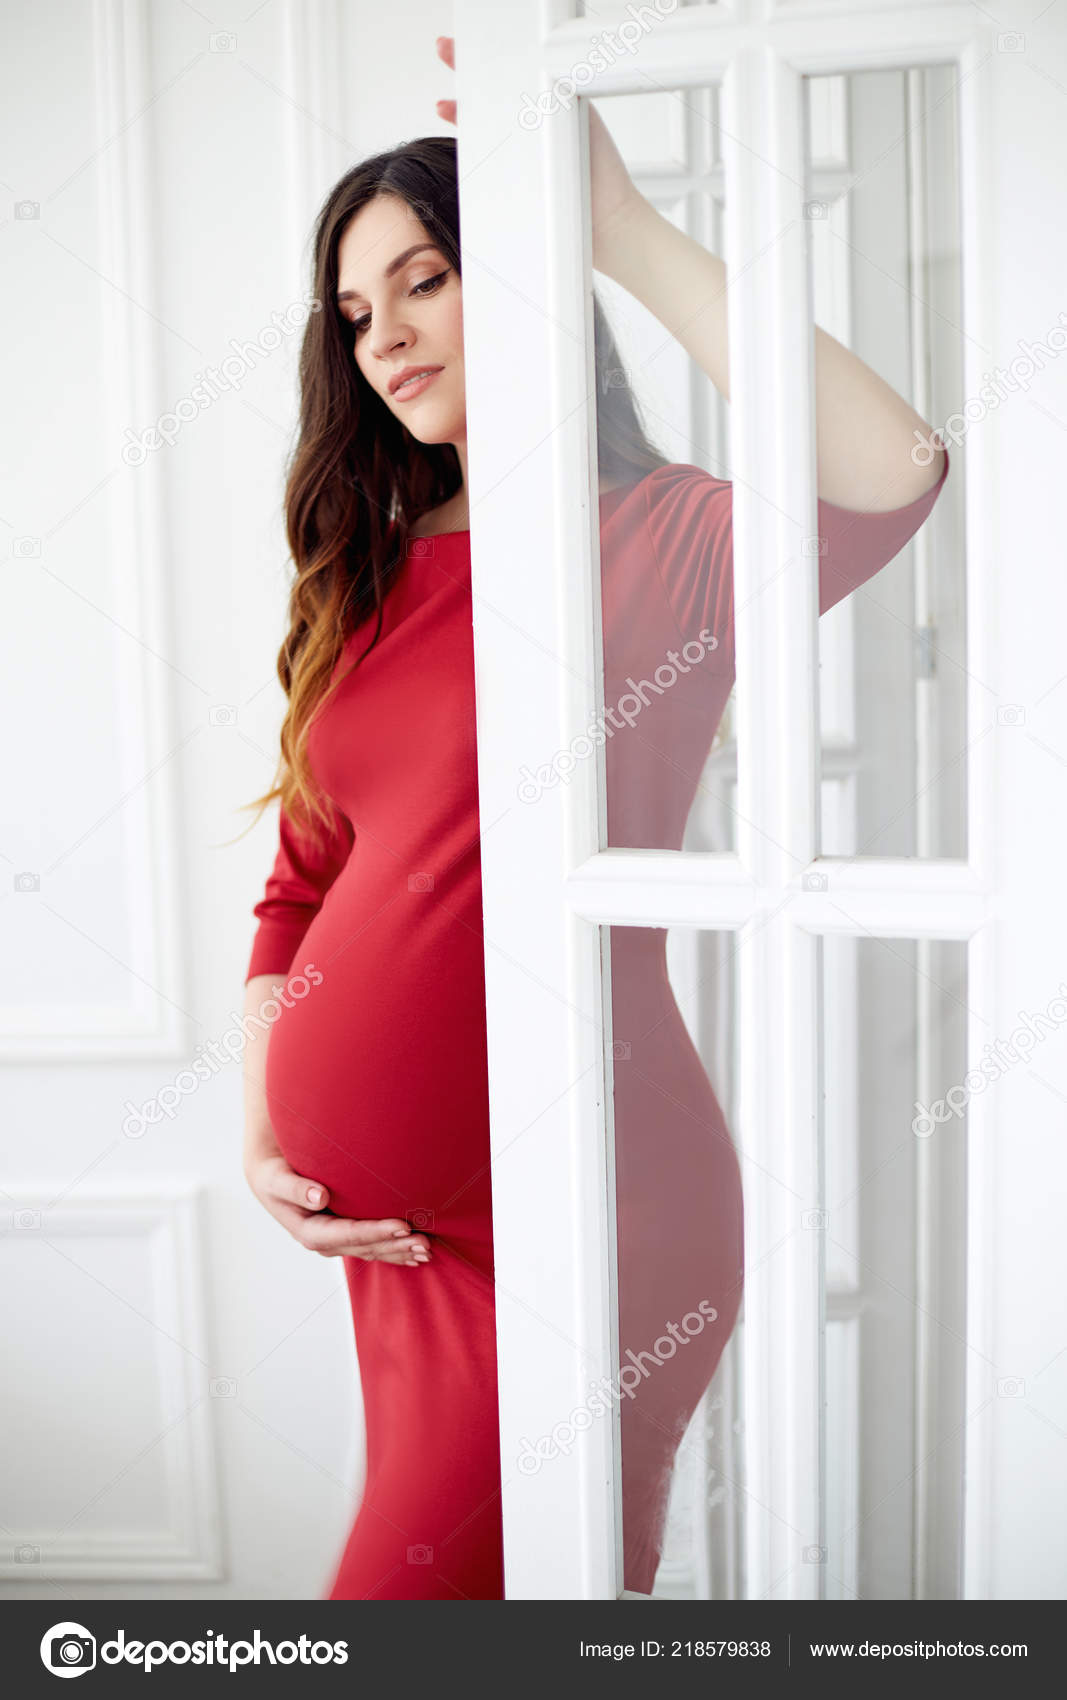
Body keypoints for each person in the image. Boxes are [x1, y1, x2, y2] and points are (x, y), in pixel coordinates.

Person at [240, 36, 950, 1600]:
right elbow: (303, 878)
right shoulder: (369, 571)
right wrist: (262, 1122)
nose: (386, 339)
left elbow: (894, 469)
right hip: (405, 1258)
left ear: (525, 276)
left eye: (425, 280)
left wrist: (617, 225)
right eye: (357, 314)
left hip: (594, 1199)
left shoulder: (658, 541)